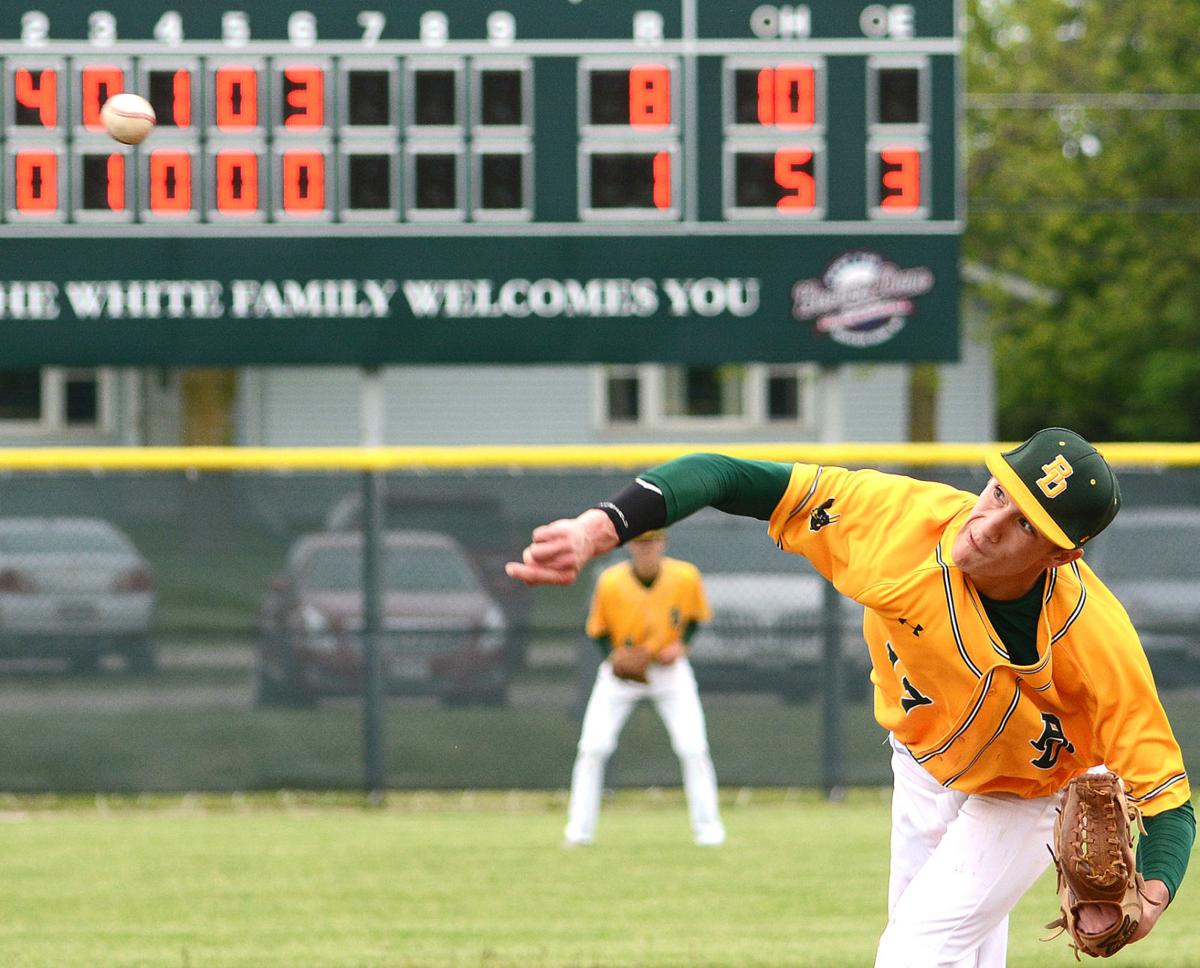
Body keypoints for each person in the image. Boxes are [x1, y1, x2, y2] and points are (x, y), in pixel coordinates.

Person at [509, 428, 1195, 966]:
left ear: (1061, 555)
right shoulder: (898, 522)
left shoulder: (1094, 639)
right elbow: (720, 473)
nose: (988, 522)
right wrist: (599, 528)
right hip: (922, 762)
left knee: (915, 950)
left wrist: (1152, 898)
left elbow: (1171, 804)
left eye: (1024, 525)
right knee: (950, 953)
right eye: (997, 492)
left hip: (1027, 794)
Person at [563, 529, 725, 847]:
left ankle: (709, 831)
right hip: (620, 675)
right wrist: (615, 656)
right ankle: (578, 833)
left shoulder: (685, 576)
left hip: (669, 672)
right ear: (630, 546)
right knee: (593, 748)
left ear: (662, 543)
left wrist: (681, 647)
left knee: (693, 747)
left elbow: (695, 619)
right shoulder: (610, 581)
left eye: (652, 542)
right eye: (640, 542)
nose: (646, 548)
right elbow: (597, 630)